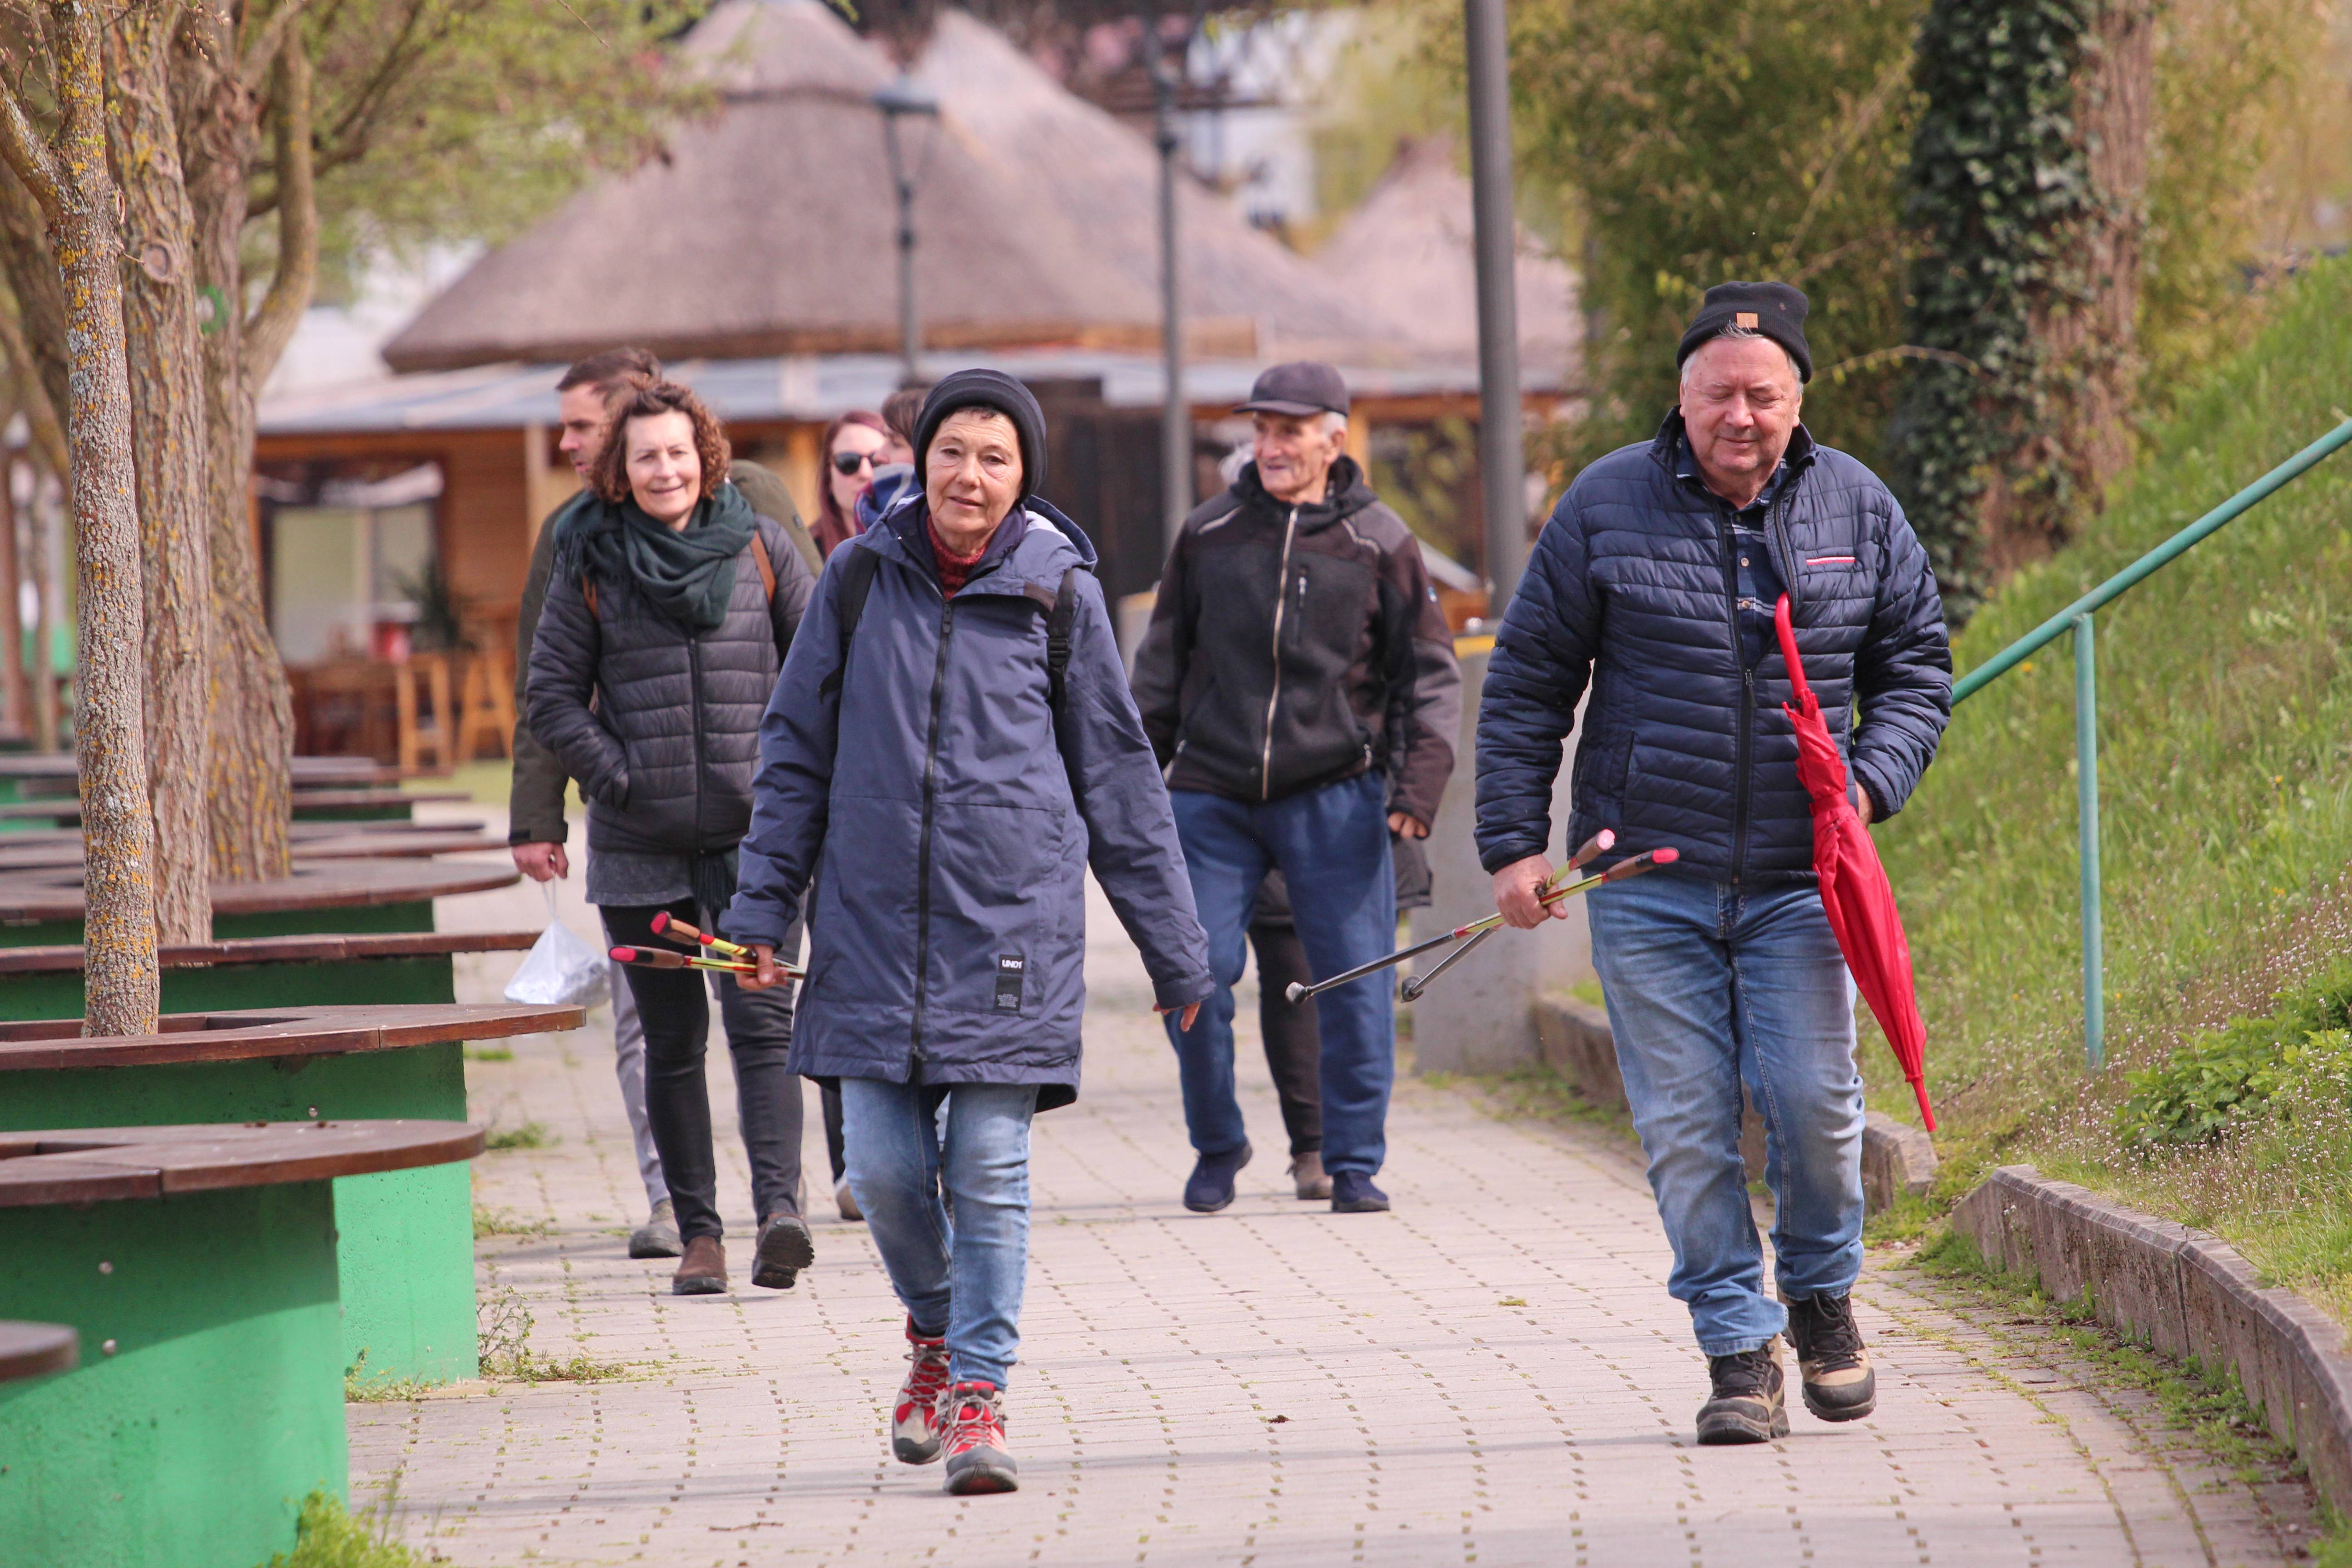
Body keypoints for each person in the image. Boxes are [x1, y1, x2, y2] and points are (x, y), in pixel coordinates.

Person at [1475, 282, 1951, 1444]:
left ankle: (1822, 1294)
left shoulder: (1857, 504)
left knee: (1812, 1105)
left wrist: (1870, 782)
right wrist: (1509, 846)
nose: (1739, 415)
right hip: (1645, 879)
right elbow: (1527, 682)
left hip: (1800, 880)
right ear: (1679, 398)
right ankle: (1736, 1351)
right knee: (1687, 1129)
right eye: (1717, 394)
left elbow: (1915, 665)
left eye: (1762, 394)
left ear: (1797, 400)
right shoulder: (1604, 504)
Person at [725, 370, 1212, 1496]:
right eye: (953, 451)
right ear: (920, 459)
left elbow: (1120, 779)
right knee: (883, 1169)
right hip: (868, 928)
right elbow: (794, 755)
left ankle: (980, 1392)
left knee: (987, 1165)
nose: (970, 474)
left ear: (1022, 476)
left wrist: (1175, 950)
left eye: (995, 457)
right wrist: (758, 912)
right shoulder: (857, 579)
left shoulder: (1059, 594)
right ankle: (936, 1334)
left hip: (1010, 931)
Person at [510, 351, 823, 1260]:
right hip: (639, 848)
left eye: (679, 452)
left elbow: (820, 670)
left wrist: (788, 782)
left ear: (707, 455)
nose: (666, 470)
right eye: (646, 456)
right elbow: (552, 696)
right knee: (674, 1047)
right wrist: (620, 776)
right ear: (623, 468)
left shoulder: (760, 545)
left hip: (755, 847)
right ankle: (700, 1235)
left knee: (763, 1032)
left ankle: (780, 1216)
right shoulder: (588, 561)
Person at [1131, 361, 1461, 1216]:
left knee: (1351, 981)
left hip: (1336, 793)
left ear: (1332, 439)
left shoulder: (1380, 541)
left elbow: (1427, 676)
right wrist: (1133, 790)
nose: (1269, 445)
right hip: (1207, 792)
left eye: (1288, 430)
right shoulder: (1206, 534)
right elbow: (1159, 671)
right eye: (1261, 429)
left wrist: (1415, 789)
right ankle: (1217, 1143)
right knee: (1193, 969)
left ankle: (1352, 1163)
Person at [810, 411, 892, 560]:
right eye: (848, 462)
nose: (865, 473)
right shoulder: (804, 553)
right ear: (828, 477)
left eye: (877, 462)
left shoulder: (919, 544)